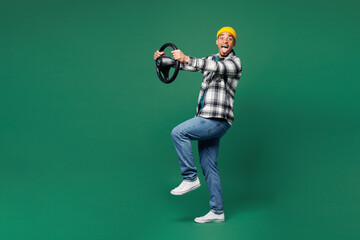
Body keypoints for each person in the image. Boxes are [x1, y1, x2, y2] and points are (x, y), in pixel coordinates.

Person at [153, 27, 242, 223]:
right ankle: (217, 212)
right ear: (217, 42)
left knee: (179, 133)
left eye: (230, 38)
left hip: (216, 120)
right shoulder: (211, 59)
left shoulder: (235, 63)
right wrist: (163, 60)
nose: (225, 40)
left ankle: (189, 177)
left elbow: (211, 67)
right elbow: (190, 65)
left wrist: (186, 59)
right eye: (222, 37)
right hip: (206, 118)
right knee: (209, 166)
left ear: (233, 44)